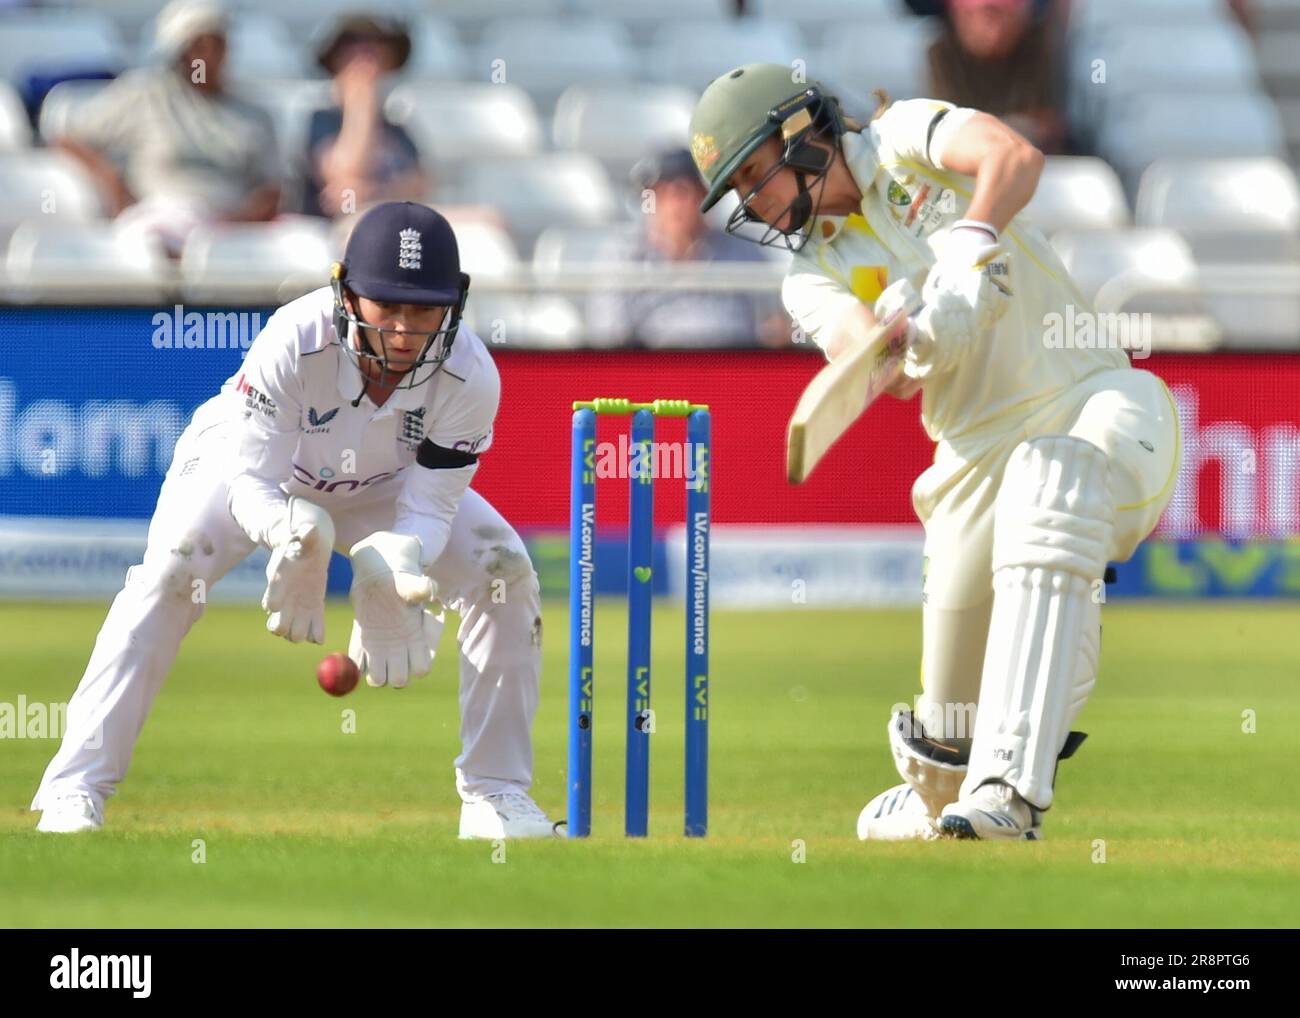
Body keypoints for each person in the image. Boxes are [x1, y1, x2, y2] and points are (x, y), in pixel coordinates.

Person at [689, 64, 1179, 840]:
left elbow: (1013, 158)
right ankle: (931, 797)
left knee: (1051, 488)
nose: (754, 202)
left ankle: (1010, 794)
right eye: (739, 192)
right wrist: (908, 331)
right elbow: (875, 370)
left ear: (799, 135)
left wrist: (970, 238)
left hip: (1096, 400)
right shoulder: (810, 278)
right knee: (944, 739)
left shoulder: (901, 139)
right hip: (970, 464)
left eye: (755, 174)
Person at [31, 202, 558, 840]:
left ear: (454, 305)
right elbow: (248, 481)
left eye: (422, 311)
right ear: (346, 294)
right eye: (385, 306)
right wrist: (290, 536)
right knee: (170, 576)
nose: (402, 331)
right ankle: (73, 790)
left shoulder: (470, 374)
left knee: (505, 574)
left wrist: (396, 565)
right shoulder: (294, 337)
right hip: (260, 469)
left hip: (382, 488)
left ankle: (495, 796)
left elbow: (430, 508)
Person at [54, 0, 281, 255]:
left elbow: (271, 188)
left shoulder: (254, 114)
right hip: (163, 221)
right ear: (179, 52)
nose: (208, 56)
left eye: (216, 44)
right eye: (198, 46)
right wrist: (113, 183)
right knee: (145, 240)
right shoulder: (145, 94)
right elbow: (68, 137)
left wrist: (236, 223)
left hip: (235, 229)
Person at [586, 147, 790, 348]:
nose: (676, 204)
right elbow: (609, 337)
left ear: (704, 196)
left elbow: (775, 327)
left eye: (683, 192)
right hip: (653, 375)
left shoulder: (743, 252)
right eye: (663, 193)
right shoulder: (623, 257)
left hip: (733, 372)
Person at [299, 12, 428, 218]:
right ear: (334, 56)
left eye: (378, 43)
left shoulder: (397, 125)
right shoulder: (322, 119)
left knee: (487, 220)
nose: (367, 54)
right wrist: (360, 104)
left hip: (393, 219)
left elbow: (420, 187)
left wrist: (375, 195)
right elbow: (345, 178)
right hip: (341, 233)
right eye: (353, 43)